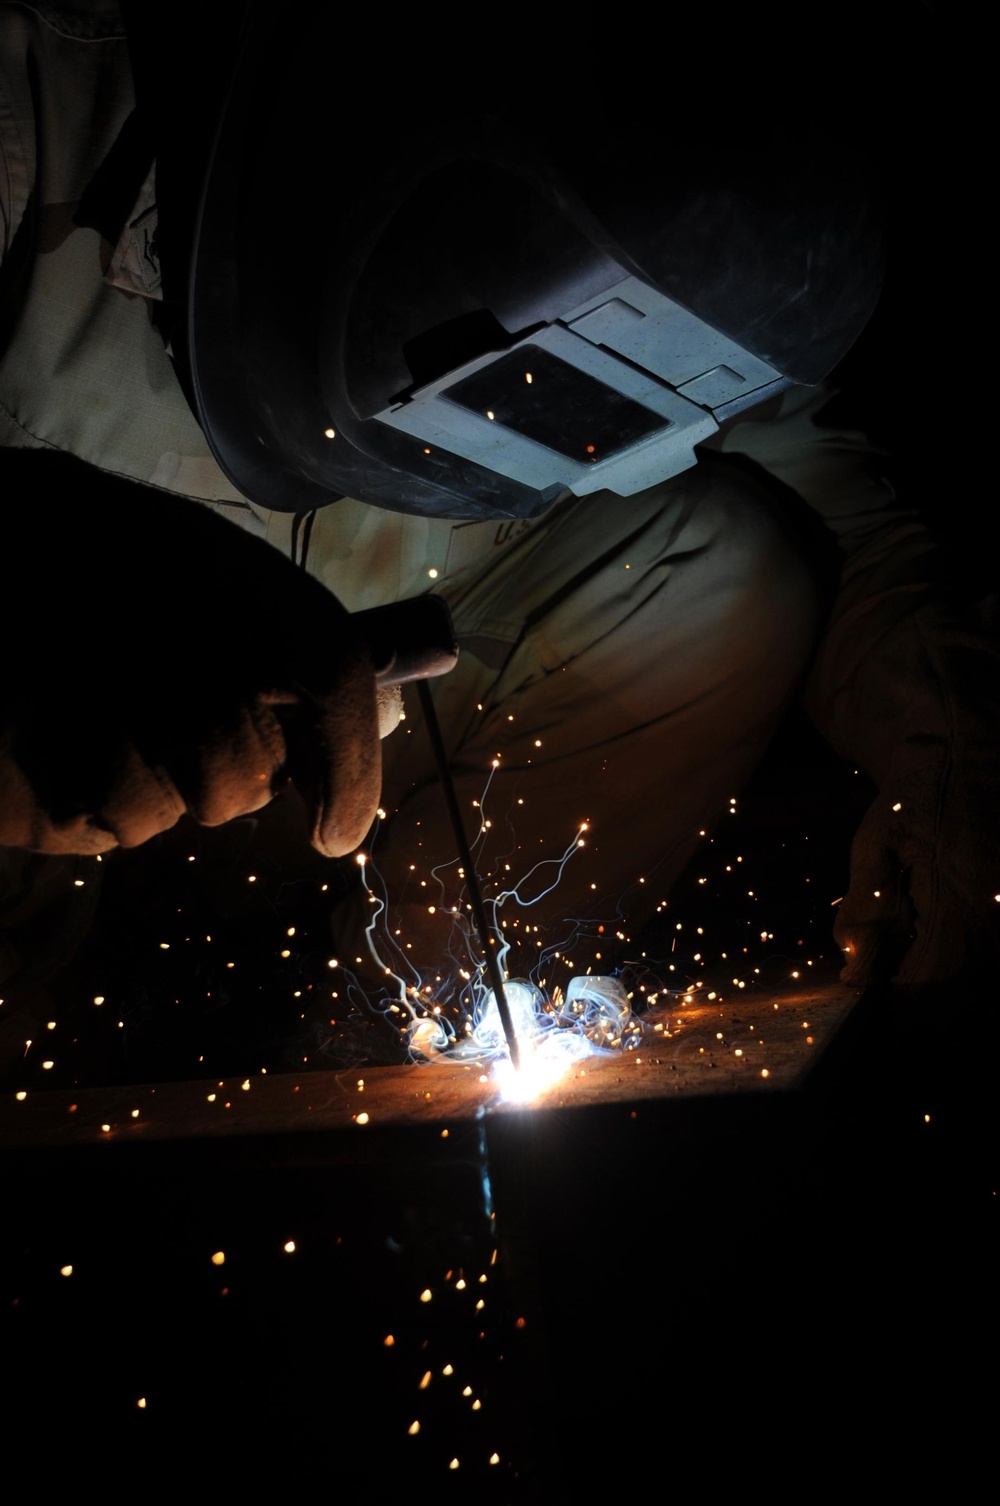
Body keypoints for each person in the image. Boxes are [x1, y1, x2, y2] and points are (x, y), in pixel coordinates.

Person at [1, 0, 996, 1037]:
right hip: (93, 765)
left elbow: (863, 545)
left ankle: (421, 1018)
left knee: (728, 558)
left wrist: (962, 760)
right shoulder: (34, 99)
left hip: (383, 731)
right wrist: (49, 588)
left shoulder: (683, 215)